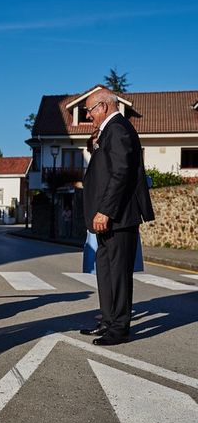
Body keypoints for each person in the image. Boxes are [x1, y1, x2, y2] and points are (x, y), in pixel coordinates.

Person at [79, 88, 155, 346]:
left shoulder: (119, 129)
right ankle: (108, 320)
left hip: (118, 216)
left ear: (104, 106)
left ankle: (120, 328)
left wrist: (106, 210)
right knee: (106, 271)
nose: (88, 115)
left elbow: (121, 173)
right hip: (107, 217)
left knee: (119, 273)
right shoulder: (108, 131)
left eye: (89, 110)